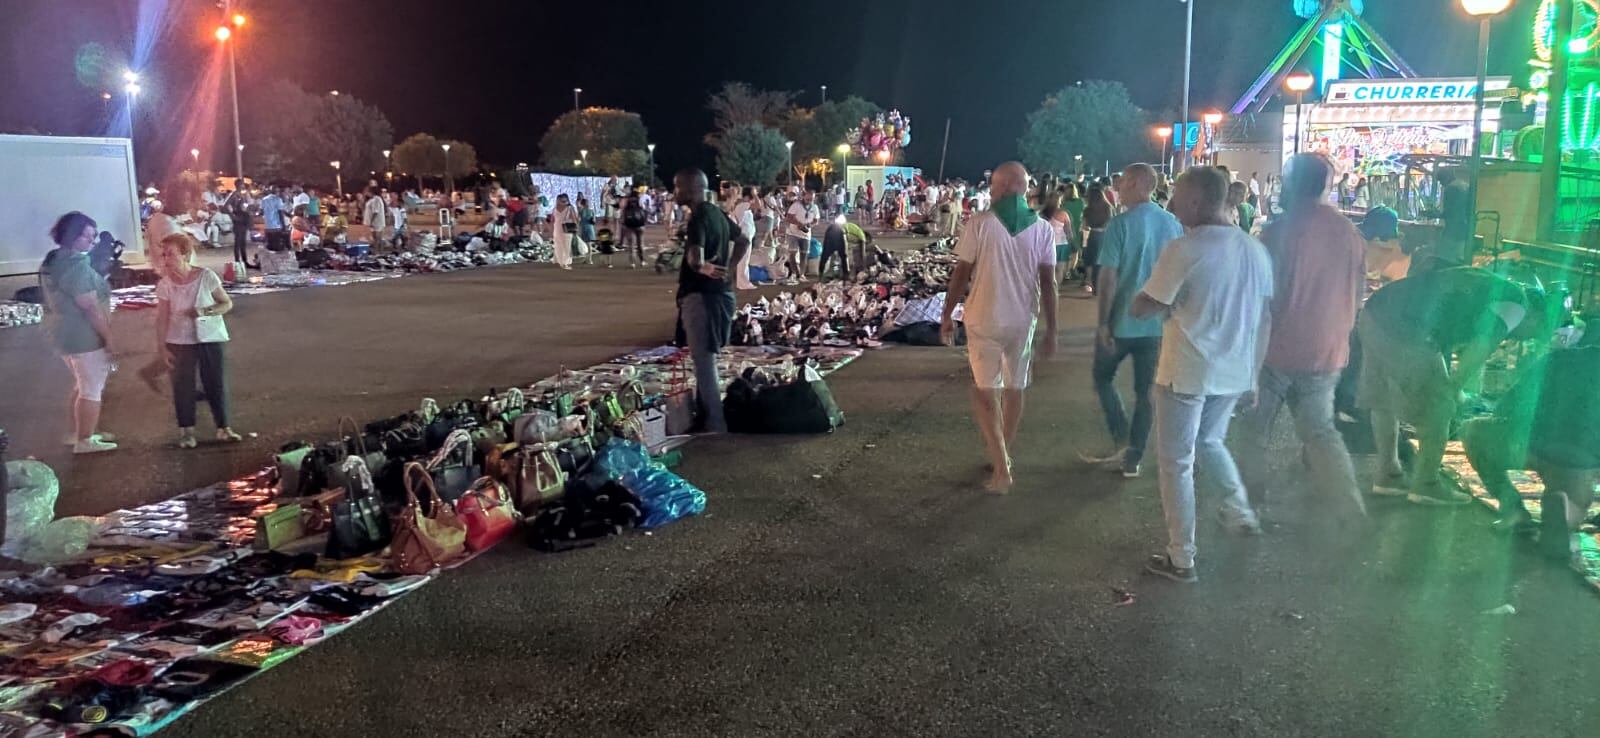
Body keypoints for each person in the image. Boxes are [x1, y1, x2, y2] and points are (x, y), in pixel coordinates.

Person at [1129, 166, 1274, 583]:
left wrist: (1137, 302)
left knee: (1176, 462)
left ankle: (1182, 557)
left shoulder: (1185, 248)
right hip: (1234, 370)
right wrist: (1255, 375)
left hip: (1186, 370)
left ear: (1195, 201)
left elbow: (1147, 304)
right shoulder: (1254, 249)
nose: (1172, 203)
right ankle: (1239, 508)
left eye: (1177, 195)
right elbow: (1265, 318)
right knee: (1211, 440)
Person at [1233, 153, 1367, 517]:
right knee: (1321, 431)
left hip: (1275, 348)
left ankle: (1249, 505)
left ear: (1290, 183)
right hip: (1327, 349)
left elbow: (1259, 297)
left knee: (1254, 429)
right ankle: (1348, 507)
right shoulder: (1349, 233)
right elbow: (1357, 294)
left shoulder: (1278, 232)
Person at [1359, 266, 1553, 505]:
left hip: (1374, 313)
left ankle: (1388, 475)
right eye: (1534, 332)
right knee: (1439, 405)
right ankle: (1426, 484)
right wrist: (1452, 388)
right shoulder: (1517, 304)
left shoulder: (1492, 287)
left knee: (1383, 399)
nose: (1523, 338)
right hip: (1408, 328)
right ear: (1535, 315)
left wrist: (1456, 387)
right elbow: (1482, 346)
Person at [939, 162, 1059, 495]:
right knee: (1015, 387)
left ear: (1006, 187)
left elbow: (961, 273)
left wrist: (947, 313)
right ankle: (1002, 452)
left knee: (984, 391)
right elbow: (1049, 284)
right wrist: (1052, 330)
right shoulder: (1043, 229)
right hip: (1023, 320)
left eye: (993, 186)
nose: (990, 192)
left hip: (984, 318)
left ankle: (1002, 468)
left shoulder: (980, 224)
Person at [1081, 164, 1184, 478]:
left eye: (1124, 183)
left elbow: (1108, 277)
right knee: (1145, 393)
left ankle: (1122, 436)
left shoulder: (1119, 225)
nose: (1118, 189)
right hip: (1157, 325)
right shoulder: (1172, 225)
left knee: (1102, 377)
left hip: (1122, 323)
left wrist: (1103, 322)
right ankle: (1133, 457)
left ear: (1140, 184)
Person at [1460, 338, 1600, 559]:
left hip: (1528, 446)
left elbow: (1506, 407)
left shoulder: (1557, 358)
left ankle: (1513, 509)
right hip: (1581, 461)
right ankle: (1564, 508)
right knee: (1573, 503)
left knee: (1473, 429)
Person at [675, 169, 750, 433]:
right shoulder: (717, 213)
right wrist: (729, 269)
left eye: (677, 187)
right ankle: (703, 413)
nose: (675, 192)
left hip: (702, 296)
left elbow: (695, 258)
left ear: (690, 188)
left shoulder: (698, 218)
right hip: (722, 294)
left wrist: (701, 266)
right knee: (706, 358)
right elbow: (743, 239)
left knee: (704, 361)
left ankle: (715, 424)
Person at [152, 233, 240, 449]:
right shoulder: (165, 285)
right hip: (179, 340)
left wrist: (204, 310)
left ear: (185, 254)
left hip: (209, 337)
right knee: (182, 387)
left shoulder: (206, 276)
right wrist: (162, 348)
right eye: (163, 255)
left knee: (215, 383)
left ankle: (223, 427)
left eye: (170, 254)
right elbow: (161, 319)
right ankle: (187, 432)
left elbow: (226, 303)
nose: (166, 259)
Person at [41, 212, 119, 454]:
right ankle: (85, 440)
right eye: (85, 235)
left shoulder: (54, 259)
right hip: (83, 335)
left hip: (63, 333)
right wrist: (109, 338)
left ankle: (81, 431)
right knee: (91, 387)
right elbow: (91, 308)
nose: (91, 241)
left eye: (93, 236)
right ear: (71, 235)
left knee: (82, 384)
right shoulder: (76, 268)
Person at [1080, 184, 1113, 294]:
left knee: (1090, 259)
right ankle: (1100, 286)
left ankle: (1089, 281)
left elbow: (1084, 225)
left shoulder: (1088, 209)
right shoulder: (1108, 207)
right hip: (1105, 236)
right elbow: (1111, 223)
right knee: (1101, 261)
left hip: (1092, 234)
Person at [784, 190, 820, 285]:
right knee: (793, 253)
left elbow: (816, 220)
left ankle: (802, 275)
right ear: (803, 197)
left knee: (804, 254)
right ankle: (795, 273)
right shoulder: (796, 205)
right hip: (793, 232)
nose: (809, 201)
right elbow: (788, 217)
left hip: (806, 234)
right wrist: (798, 224)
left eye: (811, 199)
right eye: (808, 199)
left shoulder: (815, 207)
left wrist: (809, 225)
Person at [729, 188, 757, 289]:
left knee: (744, 260)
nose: (753, 199)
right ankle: (742, 283)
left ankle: (744, 281)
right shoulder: (743, 205)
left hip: (746, 236)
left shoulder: (743, 206)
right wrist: (755, 194)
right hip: (744, 236)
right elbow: (758, 205)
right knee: (743, 261)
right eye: (752, 197)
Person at [225, 187, 253, 267]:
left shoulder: (243, 194)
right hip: (238, 217)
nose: (242, 186)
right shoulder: (233, 194)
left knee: (243, 242)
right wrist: (232, 216)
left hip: (244, 217)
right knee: (238, 241)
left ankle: (245, 261)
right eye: (240, 185)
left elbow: (248, 205)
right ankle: (237, 262)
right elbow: (225, 205)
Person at [550, 194, 578, 270]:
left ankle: (559, 260)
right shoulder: (569, 208)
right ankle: (564, 263)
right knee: (566, 246)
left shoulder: (555, 208)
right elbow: (574, 218)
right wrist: (576, 227)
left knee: (558, 245)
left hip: (557, 228)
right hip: (566, 228)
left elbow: (552, 220)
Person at [818, 216, 850, 280]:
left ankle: (821, 273)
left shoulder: (831, 228)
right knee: (843, 257)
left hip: (831, 244)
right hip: (835, 243)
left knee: (824, 257)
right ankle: (845, 274)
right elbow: (845, 241)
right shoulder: (841, 229)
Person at [621, 194, 648, 267]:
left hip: (629, 227)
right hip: (640, 227)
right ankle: (642, 261)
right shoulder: (640, 206)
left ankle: (632, 263)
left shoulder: (626, 209)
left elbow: (622, 220)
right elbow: (645, 215)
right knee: (640, 245)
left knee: (631, 246)